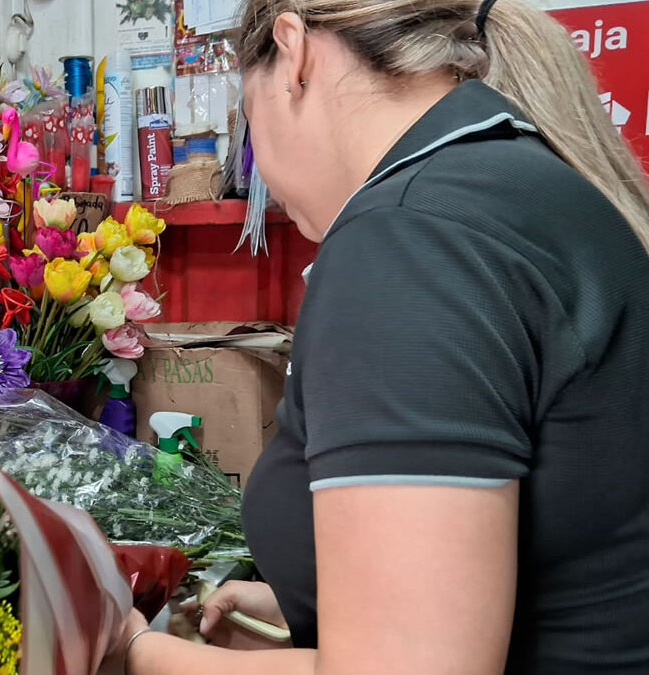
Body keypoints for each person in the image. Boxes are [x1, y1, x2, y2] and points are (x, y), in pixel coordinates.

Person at [106, 0, 649, 672]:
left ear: (294, 53)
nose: (263, 179)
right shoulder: (521, 186)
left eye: (250, 122)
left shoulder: (409, 237)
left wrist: (137, 651)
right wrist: (309, 602)